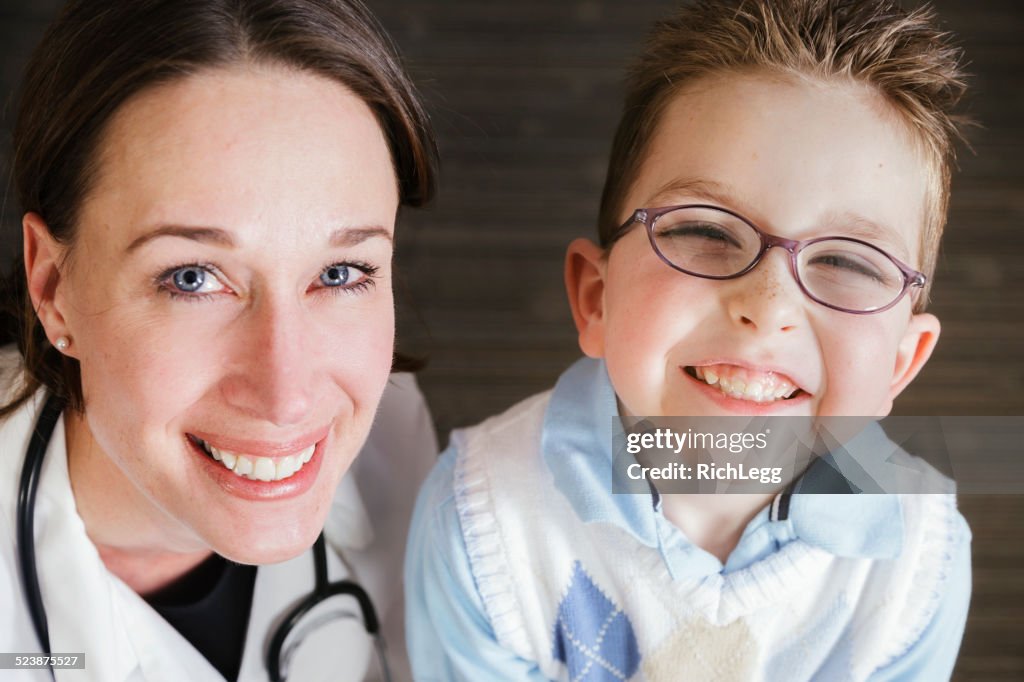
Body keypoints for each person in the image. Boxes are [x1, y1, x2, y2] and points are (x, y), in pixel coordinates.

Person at [405, 0, 972, 679]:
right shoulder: (481, 518)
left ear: (900, 365)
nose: (767, 308)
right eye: (704, 232)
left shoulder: (918, 563)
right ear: (596, 296)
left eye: (848, 262)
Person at [0, 0, 438, 680]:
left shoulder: (407, 450)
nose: (286, 395)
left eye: (340, 272)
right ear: (54, 288)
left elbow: (625, 461)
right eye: (192, 277)